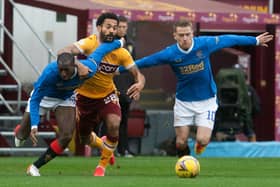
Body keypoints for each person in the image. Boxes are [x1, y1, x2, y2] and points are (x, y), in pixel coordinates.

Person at [119, 20, 273, 157]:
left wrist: (254, 40)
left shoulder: (204, 43)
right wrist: (119, 69)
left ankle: (200, 146)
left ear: (192, 33)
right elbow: (146, 61)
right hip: (183, 102)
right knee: (180, 142)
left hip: (207, 101)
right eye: (181, 35)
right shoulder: (170, 53)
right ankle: (184, 164)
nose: (185, 38)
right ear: (175, 36)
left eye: (187, 34)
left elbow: (228, 39)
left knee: (203, 139)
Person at [14, 39, 124, 176]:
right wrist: (35, 125)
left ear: (75, 65)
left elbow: (100, 51)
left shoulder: (88, 69)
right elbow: (35, 99)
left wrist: (119, 42)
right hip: (44, 98)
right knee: (20, 137)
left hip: (65, 98)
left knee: (66, 136)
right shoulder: (49, 73)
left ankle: (34, 167)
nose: (64, 74)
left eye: (67, 70)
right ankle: (20, 130)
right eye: (61, 70)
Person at [59, 12, 145, 176]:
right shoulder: (90, 43)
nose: (112, 31)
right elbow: (64, 51)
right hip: (84, 98)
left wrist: (140, 83)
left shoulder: (121, 52)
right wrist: (78, 64)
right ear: (99, 27)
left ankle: (101, 166)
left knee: (114, 125)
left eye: (115, 27)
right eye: (108, 27)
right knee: (84, 139)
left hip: (107, 95)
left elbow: (137, 74)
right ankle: (102, 144)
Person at [114, 15, 136, 157]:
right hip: (111, 88)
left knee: (124, 119)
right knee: (109, 119)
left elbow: (135, 66)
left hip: (126, 88)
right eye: (120, 27)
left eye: (124, 27)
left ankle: (123, 149)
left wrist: (136, 85)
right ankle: (105, 148)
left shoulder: (131, 44)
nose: (122, 29)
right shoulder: (110, 43)